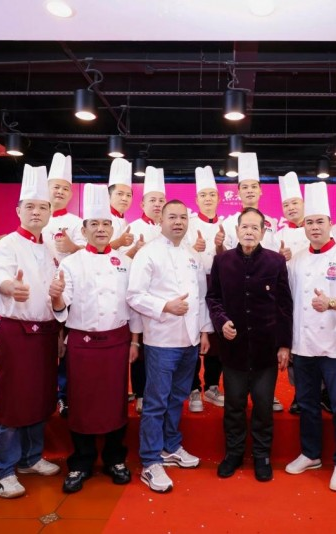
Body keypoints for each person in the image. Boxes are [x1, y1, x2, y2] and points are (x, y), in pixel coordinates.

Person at [49, 184, 142, 493]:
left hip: (117, 342)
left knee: (116, 402)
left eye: (106, 224)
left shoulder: (126, 263)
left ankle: (115, 459)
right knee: (81, 402)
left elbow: (133, 305)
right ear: (84, 230)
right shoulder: (71, 263)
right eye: (94, 224)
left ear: (112, 228)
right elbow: (63, 305)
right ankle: (81, 462)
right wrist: (57, 297)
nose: (101, 229)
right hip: (82, 343)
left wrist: (135, 342)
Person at [0, 164, 61, 499]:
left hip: (45, 333)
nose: (36, 212)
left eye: (42, 207)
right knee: (13, 401)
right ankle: (0, 470)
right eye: (30, 206)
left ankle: (31, 458)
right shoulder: (7, 245)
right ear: (18, 210)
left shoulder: (48, 249)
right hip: (16, 332)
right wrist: (9, 287)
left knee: (41, 397)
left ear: (49, 212)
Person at [127, 200, 212, 493]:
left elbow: (201, 297)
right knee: (156, 402)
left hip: (190, 340)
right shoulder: (148, 253)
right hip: (161, 339)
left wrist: (204, 330)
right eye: (172, 217)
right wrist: (165, 305)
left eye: (182, 217)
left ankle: (170, 446)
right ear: (160, 221)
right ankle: (150, 461)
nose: (178, 222)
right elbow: (134, 295)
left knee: (177, 398)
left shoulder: (192, 254)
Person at [285, 182, 336, 492]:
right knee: (307, 404)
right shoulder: (297, 260)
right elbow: (288, 302)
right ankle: (311, 454)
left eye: (320, 221)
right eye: (310, 222)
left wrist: (331, 302)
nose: (315, 227)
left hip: (335, 345)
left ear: (331, 224)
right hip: (303, 345)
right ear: (304, 226)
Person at [206, 207, 293, 482]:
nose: (249, 232)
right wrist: (221, 322)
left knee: (263, 406)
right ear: (237, 230)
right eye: (245, 226)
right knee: (234, 405)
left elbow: (284, 306)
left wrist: (284, 345)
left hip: (266, 349)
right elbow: (213, 298)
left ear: (263, 232)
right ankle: (233, 454)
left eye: (256, 227)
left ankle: (262, 456)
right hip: (233, 349)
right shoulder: (222, 262)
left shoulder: (275, 262)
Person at [218, 152, 283, 411]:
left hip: (265, 308)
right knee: (234, 402)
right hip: (235, 305)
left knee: (262, 402)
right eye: (243, 187)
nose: (249, 191)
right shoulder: (227, 223)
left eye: (253, 186)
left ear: (260, 190)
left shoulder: (274, 223)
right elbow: (221, 280)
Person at [41, 152, 86, 419]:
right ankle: (44, 395)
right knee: (43, 348)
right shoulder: (36, 217)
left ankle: (65, 395)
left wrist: (72, 247)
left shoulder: (76, 223)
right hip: (38, 293)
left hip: (69, 292)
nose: (60, 192)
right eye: (55, 186)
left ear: (71, 194)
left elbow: (92, 255)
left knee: (67, 347)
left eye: (65, 188)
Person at [123, 166, 166, 414]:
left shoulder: (170, 228)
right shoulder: (132, 227)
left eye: (161, 200)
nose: (158, 204)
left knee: (159, 350)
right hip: (139, 296)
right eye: (153, 200)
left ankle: (158, 392)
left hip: (164, 299)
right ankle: (140, 392)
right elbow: (118, 262)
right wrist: (133, 251)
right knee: (138, 346)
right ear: (142, 204)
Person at [185, 166, 226, 412]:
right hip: (192, 284)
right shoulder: (187, 224)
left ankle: (211, 386)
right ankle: (192, 388)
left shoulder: (228, 225)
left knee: (217, 338)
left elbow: (233, 257)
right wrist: (194, 249)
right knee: (191, 335)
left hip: (219, 285)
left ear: (219, 198)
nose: (208, 199)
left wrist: (220, 247)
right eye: (203, 195)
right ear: (197, 199)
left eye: (212, 194)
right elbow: (176, 253)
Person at [273, 172, 309, 415]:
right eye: (286, 204)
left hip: (314, 298)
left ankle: (320, 393)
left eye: (295, 203)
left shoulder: (316, 228)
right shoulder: (279, 236)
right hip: (289, 298)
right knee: (294, 344)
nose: (291, 208)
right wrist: (280, 259)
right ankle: (299, 394)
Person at [107, 157, 135, 251]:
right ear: (108, 195)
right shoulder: (101, 219)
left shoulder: (125, 221)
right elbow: (96, 249)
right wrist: (119, 242)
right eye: (120, 194)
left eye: (128, 195)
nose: (124, 198)